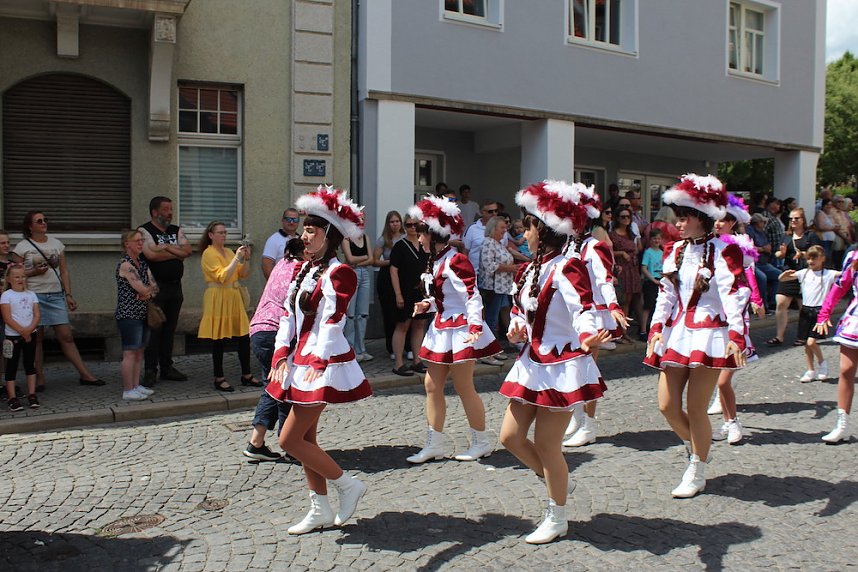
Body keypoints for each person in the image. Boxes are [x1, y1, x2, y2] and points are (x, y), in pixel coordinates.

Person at [498, 180, 610, 544]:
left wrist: (589, 336)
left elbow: (583, 309)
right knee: (510, 438)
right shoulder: (528, 270)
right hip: (532, 363)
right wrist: (516, 329)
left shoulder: (568, 267)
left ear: (543, 230)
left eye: (527, 226)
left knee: (548, 446)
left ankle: (557, 514)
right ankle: (557, 479)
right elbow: (521, 312)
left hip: (562, 365)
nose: (522, 232)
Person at [266, 186, 371, 534]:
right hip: (300, 359)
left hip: (321, 362)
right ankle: (320, 508)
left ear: (329, 235)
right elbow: (287, 316)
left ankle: (347, 484)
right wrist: (282, 352)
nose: (304, 235)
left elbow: (332, 321)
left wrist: (316, 362)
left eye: (312, 230)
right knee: (306, 440)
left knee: (288, 440)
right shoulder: (305, 270)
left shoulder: (339, 272)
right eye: (304, 229)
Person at [645, 174, 748, 498]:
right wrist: (656, 327)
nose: (678, 223)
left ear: (701, 218)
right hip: (677, 335)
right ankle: (698, 446)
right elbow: (666, 294)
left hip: (710, 335)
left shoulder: (724, 252)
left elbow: (733, 295)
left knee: (696, 406)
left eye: (684, 217)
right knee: (666, 406)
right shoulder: (673, 250)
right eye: (677, 216)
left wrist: (737, 334)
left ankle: (697, 466)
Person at [406, 196, 502, 464]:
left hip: (460, 329)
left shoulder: (455, 260)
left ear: (433, 234)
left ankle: (481, 441)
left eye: (421, 232)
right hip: (442, 328)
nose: (418, 237)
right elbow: (443, 299)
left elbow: (472, 295)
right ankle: (435, 442)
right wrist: (426, 305)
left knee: (464, 386)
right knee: (431, 385)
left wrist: (474, 326)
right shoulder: (435, 261)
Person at [561, 189, 627, 449]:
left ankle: (588, 424)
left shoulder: (594, 246)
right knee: (574, 367)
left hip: (593, 313)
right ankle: (578, 417)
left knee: (586, 368)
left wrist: (613, 305)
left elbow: (604, 278)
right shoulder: (567, 245)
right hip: (571, 312)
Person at [12, 211, 105, 390]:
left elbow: (64, 271)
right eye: (39, 221)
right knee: (36, 339)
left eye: (45, 220)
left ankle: (85, 375)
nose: (44, 223)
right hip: (33, 297)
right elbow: (16, 274)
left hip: (55, 295)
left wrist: (68, 294)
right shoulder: (22, 247)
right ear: (30, 226)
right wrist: (34, 272)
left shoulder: (56, 244)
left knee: (66, 336)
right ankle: (39, 378)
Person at [243, 237, 307, 462]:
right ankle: (283, 445)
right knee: (282, 387)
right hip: (276, 332)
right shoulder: (300, 269)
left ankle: (260, 443)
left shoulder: (281, 264)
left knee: (276, 386)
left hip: (260, 329)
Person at [709, 195, 764, 443]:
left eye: (725, 220)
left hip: (733, 317)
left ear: (733, 223)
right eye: (717, 220)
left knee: (723, 380)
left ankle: (732, 423)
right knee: (716, 377)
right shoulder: (706, 245)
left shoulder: (737, 246)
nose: (719, 224)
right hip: (711, 318)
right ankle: (728, 420)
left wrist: (757, 299)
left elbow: (747, 275)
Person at [197, 221, 257, 393]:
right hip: (217, 296)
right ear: (211, 235)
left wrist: (246, 259)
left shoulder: (229, 251)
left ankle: (246, 374)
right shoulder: (208, 253)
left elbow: (243, 274)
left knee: (243, 335)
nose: (224, 235)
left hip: (233, 295)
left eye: (225, 233)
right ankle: (219, 377)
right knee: (219, 339)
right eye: (220, 233)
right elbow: (222, 276)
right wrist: (236, 259)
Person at [139, 196, 192, 386]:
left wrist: (168, 247)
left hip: (175, 287)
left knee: (170, 329)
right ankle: (150, 370)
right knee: (154, 329)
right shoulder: (144, 231)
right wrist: (175, 253)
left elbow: (187, 251)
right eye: (166, 209)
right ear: (155, 212)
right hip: (155, 288)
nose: (170, 213)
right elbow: (150, 255)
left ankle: (167, 367)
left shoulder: (176, 230)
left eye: (171, 209)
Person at [814, 247, 858, 443]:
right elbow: (840, 286)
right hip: (855, 319)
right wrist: (824, 314)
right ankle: (842, 425)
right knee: (846, 370)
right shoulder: (854, 256)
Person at [781, 246, 838, 384]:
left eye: (814, 258)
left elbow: (846, 274)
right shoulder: (803, 273)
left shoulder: (828, 274)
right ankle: (810, 370)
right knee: (806, 343)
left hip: (820, 312)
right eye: (809, 258)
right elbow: (782, 279)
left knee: (811, 341)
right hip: (806, 310)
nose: (811, 261)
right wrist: (784, 274)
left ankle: (822, 363)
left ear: (822, 258)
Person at [115, 230, 158, 402]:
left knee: (139, 352)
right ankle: (128, 389)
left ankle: (136, 385)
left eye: (142, 240)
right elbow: (142, 288)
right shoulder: (126, 265)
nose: (141, 243)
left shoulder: (142, 264)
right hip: (128, 314)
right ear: (127, 244)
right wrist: (146, 291)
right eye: (137, 241)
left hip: (142, 313)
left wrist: (146, 292)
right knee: (130, 352)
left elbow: (154, 288)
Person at [768, 208, 819, 346]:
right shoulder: (786, 236)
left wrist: (803, 254)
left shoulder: (810, 236)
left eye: (796, 218)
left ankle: (803, 335)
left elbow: (818, 253)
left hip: (806, 274)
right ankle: (779, 336)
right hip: (789, 273)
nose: (793, 221)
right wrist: (782, 253)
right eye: (791, 219)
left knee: (805, 307)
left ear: (803, 220)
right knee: (781, 303)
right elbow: (778, 254)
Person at [390, 215, 428, 376]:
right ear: (404, 226)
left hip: (421, 291)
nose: (413, 227)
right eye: (409, 225)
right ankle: (399, 363)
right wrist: (398, 294)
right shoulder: (399, 246)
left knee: (419, 325)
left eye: (416, 224)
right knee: (403, 325)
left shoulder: (424, 245)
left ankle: (417, 360)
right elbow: (394, 270)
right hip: (405, 291)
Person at [2, 265, 40, 411]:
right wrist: (22, 332)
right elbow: (7, 317)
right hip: (13, 336)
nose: (20, 279)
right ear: (9, 279)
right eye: (17, 277)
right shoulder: (7, 295)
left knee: (30, 364)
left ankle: (32, 394)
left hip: (31, 334)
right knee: (11, 366)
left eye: (23, 276)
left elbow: (36, 315)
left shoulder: (31, 295)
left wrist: (29, 330)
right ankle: (12, 397)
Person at [479, 216, 517, 343]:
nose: (504, 230)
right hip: (493, 287)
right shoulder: (488, 242)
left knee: (496, 318)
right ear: (493, 229)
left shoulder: (498, 243)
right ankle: (488, 349)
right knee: (491, 319)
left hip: (502, 287)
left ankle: (495, 347)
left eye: (505, 228)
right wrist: (510, 268)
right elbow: (488, 265)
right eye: (502, 227)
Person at [373, 211, 405, 359]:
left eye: (397, 221)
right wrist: (391, 262)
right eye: (392, 222)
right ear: (388, 223)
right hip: (386, 277)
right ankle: (391, 348)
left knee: (406, 312)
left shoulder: (406, 238)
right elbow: (375, 260)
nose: (395, 224)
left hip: (404, 276)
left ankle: (407, 347)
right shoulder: (383, 240)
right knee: (389, 313)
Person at [610, 206, 643, 339]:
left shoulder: (631, 233)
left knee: (629, 300)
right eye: (623, 217)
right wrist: (622, 253)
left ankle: (624, 331)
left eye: (628, 217)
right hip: (621, 269)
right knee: (620, 300)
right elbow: (609, 251)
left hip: (632, 268)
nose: (626, 219)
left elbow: (637, 247)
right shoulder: (613, 234)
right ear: (617, 218)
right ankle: (618, 331)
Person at [342, 230, 374, 362]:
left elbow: (372, 259)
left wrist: (358, 262)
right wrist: (365, 257)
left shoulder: (366, 237)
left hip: (364, 274)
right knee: (351, 314)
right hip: (351, 274)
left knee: (362, 314)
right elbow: (349, 259)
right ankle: (350, 349)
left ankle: (361, 349)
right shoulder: (346, 239)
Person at [747, 213, 781, 313]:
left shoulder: (762, 232)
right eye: (763, 222)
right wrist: (762, 249)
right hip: (754, 263)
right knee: (762, 278)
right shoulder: (750, 231)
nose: (765, 224)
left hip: (764, 263)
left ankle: (773, 303)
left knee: (779, 275)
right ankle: (763, 306)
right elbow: (749, 247)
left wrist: (766, 248)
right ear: (757, 223)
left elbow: (768, 247)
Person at [462, 200, 500, 280]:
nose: (494, 214)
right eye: (490, 211)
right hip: (477, 275)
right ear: (482, 212)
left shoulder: (502, 228)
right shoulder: (472, 229)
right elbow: (465, 252)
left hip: (497, 276)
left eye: (496, 211)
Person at [261, 208, 300, 280]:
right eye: (288, 219)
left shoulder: (301, 239)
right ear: (282, 220)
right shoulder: (273, 240)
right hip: (280, 284)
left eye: (295, 220)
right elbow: (266, 266)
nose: (292, 222)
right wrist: (274, 284)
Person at [640, 229, 664, 340]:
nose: (656, 240)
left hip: (661, 280)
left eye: (659, 238)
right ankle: (643, 330)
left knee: (658, 306)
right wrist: (653, 279)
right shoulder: (648, 252)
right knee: (647, 306)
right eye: (654, 238)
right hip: (651, 281)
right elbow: (644, 268)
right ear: (650, 239)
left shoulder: (662, 252)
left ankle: (656, 328)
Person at [815, 198, 838, 264]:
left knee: (830, 257)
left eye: (830, 205)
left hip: (830, 241)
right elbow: (821, 227)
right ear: (823, 205)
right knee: (826, 257)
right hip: (825, 240)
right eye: (827, 204)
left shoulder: (828, 215)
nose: (829, 206)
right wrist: (833, 228)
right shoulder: (820, 213)